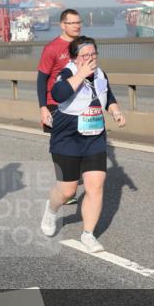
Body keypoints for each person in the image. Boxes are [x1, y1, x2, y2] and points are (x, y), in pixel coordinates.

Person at [40, 36, 126, 252]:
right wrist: (80, 74)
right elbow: (58, 94)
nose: (90, 59)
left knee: (95, 186)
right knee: (67, 191)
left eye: (93, 54)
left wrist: (115, 111)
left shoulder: (100, 74)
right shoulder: (67, 72)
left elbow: (108, 95)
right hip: (67, 137)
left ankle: (88, 234)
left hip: (94, 136)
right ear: (74, 58)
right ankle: (51, 209)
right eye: (85, 55)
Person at [36, 9, 83, 204]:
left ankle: (69, 181)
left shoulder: (83, 46)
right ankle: (64, 185)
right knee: (62, 144)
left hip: (79, 103)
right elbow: (42, 79)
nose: (77, 26)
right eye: (72, 23)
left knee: (80, 142)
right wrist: (43, 107)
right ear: (63, 25)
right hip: (55, 103)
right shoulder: (52, 48)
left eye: (79, 22)